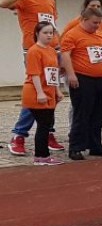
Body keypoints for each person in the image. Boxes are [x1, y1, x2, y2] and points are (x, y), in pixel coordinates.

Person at [2, 0, 63, 157]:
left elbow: (52, 26)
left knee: (52, 91)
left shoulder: (50, 1)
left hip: (53, 51)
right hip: (34, 51)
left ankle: (47, 132)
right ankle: (19, 135)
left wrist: (59, 44)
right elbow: (3, 3)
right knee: (36, 93)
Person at [60, 6, 102, 160]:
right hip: (83, 78)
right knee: (82, 113)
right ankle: (76, 147)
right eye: (94, 23)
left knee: (99, 113)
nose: (97, 26)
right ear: (84, 20)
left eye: (99, 23)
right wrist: (71, 74)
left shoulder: (100, 35)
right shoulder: (72, 34)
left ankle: (95, 145)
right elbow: (65, 55)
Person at [23, 21, 63, 166]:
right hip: (36, 91)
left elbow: (54, 72)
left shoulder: (51, 50)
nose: (49, 35)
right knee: (44, 124)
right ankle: (41, 155)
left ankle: (42, 155)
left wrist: (57, 90)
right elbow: (34, 73)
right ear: (37, 34)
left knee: (46, 124)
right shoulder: (34, 51)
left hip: (49, 90)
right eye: (45, 33)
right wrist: (40, 93)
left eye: (51, 33)